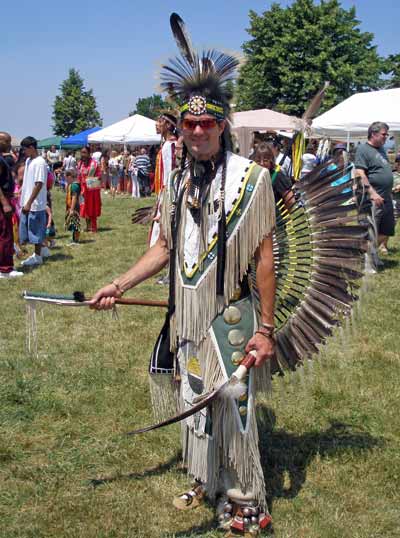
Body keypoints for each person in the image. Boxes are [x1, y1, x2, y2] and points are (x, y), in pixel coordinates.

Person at [90, 15, 276, 536]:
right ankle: (205, 476)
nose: (197, 131)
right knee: (195, 398)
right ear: (182, 128)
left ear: (222, 126)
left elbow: (265, 258)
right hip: (186, 313)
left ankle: (242, 496)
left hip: (232, 313)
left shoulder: (251, 181)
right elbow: (168, 250)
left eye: (207, 123)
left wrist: (264, 328)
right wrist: (119, 283)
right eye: (189, 124)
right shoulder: (175, 182)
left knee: (234, 404)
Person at [355, 122, 394, 258]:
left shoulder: (381, 149)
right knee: (370, 229)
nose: (386, 137)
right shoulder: (363, 149)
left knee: (387, 229)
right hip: (372, 198)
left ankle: (369, 253)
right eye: (384, 134)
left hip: (386, 196)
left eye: (387, 135)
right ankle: (367, 259)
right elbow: (360, 173)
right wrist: (372, 193)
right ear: (373, 134)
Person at [19, 136, 48, 267]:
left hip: (35, 203)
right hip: (26, 201)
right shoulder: (28, 161)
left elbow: (39, 183)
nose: (23, 152)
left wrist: (30, 202)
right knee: (29, 229)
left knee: (36, 231)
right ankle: (41, 251)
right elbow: (28, 181)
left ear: (31, 148)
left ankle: (38, 256)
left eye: (25, 149)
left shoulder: (40, 162)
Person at [0, 131, 23, 278]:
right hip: (3, 201)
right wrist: (5, 203)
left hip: (7, 197)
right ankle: (5, 268)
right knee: (5, 234)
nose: (9, 145)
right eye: (7, 142)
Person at [253, 142, 295, 211]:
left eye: (265, 160)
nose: (261, 163)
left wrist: (281, 215)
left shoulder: (277, 176)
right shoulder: (253, 175)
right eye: (258, 161)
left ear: (271, 161)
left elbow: (290, 200)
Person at [78, 146, 101, 233]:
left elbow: (98, 176)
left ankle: (94, 227)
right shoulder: (81, 163)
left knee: (92, 208)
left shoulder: (94, 164)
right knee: (84, 208)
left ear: (89, 154)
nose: (82, 154)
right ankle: (88, 226)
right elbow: (79, 176)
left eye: (84, 152)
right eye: (82, 152)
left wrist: (87, 183)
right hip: (83, 189)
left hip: (92, 190)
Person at [65, 169, 81, 244]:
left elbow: (74, 197)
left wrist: (72, 209)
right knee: (72, 223)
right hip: (72, 206)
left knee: (75, 224)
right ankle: (74, 238)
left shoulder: (74, 185)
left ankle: (76, 240)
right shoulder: (72, 185)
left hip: (74, 207)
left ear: (70, 177)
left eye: (66, 178)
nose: (66, 180)